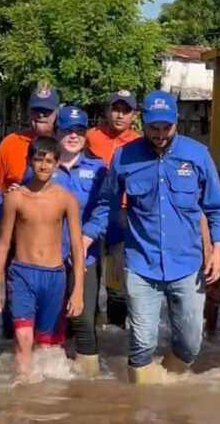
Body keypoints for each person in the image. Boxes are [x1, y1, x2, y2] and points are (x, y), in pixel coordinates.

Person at [83, 91, 220, 383]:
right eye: (154, 128)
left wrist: (218, 251)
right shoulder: (125, 156)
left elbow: (216, 209)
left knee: (190, 345)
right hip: (141, 264)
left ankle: (168, 389)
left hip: (187, 264)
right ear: (144, 123)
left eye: (167, 128)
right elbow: (106, 204)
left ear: (176, 122)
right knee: (142, 345)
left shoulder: (197, 155)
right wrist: (86, 237)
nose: (160, 135)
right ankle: (142, 404)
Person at [21, 106, 107, 375]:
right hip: (46, 259)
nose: (73, 135)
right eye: (67, 130)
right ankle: (42, 378)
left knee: (82, 319)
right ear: (57, 133)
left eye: (79, 131)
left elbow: (105, 207)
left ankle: (88, 381)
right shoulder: (40, 167)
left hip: (85, 254)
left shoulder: (98, 169)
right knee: (47, 319)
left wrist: (87, 236)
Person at [0, 136, 85, 377]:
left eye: (50, 161)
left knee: (47, 346)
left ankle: (43, 404)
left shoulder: (66, 199)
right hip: (22, 273)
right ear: (29, 161)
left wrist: (78, 291)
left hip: (54, 276)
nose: (43, 166)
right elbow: (2, 244)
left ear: (56, 164)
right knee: (23, 338)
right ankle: (22, 390)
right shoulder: (15, 198)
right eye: (38, 160)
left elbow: (76, 246)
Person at [0, 87, 60, 339]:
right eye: (36, 110)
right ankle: (11, 360)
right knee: (14, 312)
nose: (41, 116)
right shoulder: (9, 144)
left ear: (56, 113)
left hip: (55, 242)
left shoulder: (66, 143)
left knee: (58, 318)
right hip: (16, 240)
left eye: (47, 111)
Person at [85, 90, 141, 329]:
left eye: (125, 110)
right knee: (90, 271)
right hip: (91, 211)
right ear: (107, 111)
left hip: (123, 217)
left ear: (134, 115)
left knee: (116, 280)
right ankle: (90, 327)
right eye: (115, 109)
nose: (119, 115)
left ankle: (116, 335)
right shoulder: (91, 137)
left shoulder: (139, 142)